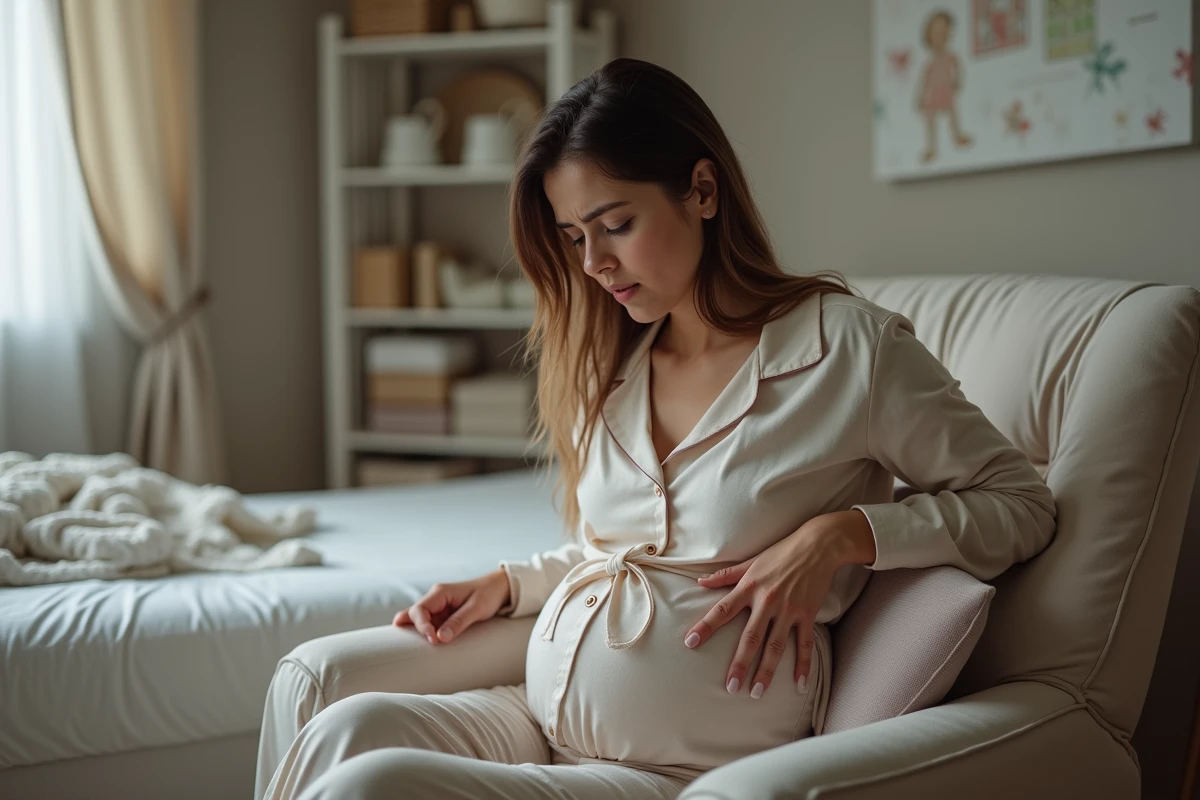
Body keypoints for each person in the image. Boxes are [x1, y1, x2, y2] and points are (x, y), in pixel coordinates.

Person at [260, 57, 1056, 800]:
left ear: (702, 190)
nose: (594, 264)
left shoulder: (847, 348)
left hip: (675, 768)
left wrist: (843, 535)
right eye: (575, 238)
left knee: (372, 786)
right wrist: (516, 584)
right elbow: (628, 547)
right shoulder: (617, 362)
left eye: (615, 224)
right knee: (345, 726)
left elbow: (1020, 504)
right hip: (543, 720)